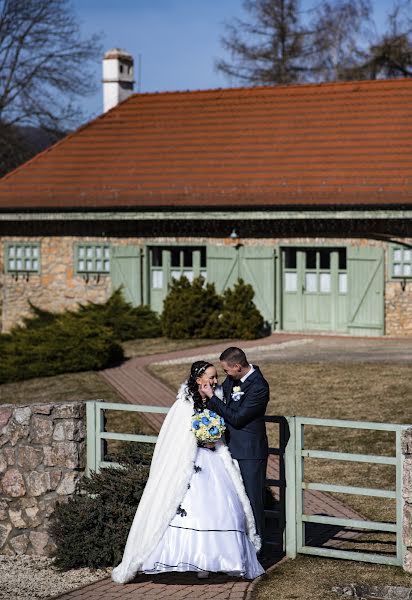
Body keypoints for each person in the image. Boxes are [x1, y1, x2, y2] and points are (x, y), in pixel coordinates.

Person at [112, 360, 264, 584]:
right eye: (210, 377)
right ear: (198, 379)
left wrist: (214, 439)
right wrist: (198, 439)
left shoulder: (218, 397)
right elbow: (177, 437)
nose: (214, 381)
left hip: (215, 460)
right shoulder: (184, 403)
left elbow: (225, 423)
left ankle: (215, 560)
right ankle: (187, 559)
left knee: (222, 507)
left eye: (215, 377)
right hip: (191, 463)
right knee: (188, 507)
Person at [201, 347, 269, 547]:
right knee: (234, 499)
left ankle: (258, 545)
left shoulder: (259, 387)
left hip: (249, 452)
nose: (225, 375)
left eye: (227, 371)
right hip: (228, 448)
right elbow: (225, 401)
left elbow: (238, 418)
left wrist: (212, 398)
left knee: (253, 499)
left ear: (238, 367)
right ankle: (238, 544)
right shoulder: (232, 380)